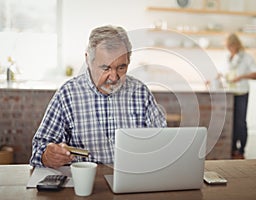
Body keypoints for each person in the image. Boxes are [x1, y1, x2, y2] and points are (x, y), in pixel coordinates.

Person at [30, 25, 167, 168]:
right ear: (88, 60)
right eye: (105, 68)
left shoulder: (140, 92)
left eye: (121, 67)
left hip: (134, 180)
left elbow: (164, 142)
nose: (114, 77)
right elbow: (38, 151)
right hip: (86, 185)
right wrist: (47, 156)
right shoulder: (67, 94)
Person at [222, 33, 256, 159]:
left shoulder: (247, 57)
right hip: (230, 93)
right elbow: (226, 72)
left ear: (236, 45)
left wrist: (242, 77)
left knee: (240, 122)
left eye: (230, 46)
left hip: (242, 93)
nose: (228, 48)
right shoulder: (228, 57)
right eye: (227, 46)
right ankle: (232, 148)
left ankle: (242, 149)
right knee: (231, 122)